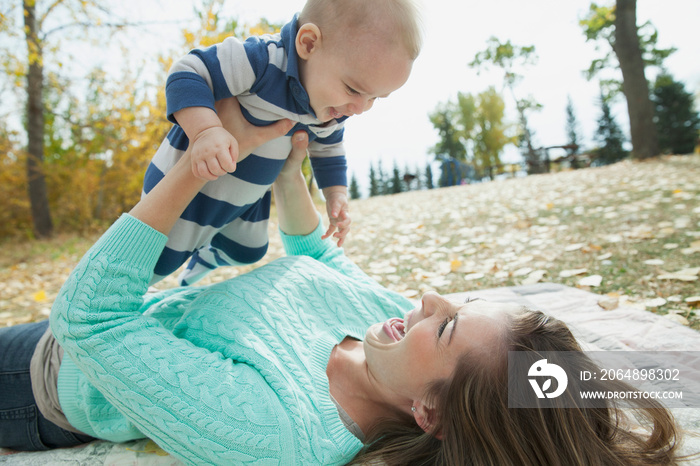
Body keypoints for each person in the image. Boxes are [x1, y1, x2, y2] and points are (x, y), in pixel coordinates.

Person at [0, 100, 687, 465]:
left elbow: (90, 320)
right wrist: (295, 164)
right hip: (118, 325)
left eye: (445, 324)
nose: (428, 300)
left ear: (429, 414)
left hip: (37, 383)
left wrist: (201, 164)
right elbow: (315, 259)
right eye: (459, 302)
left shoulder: (278, 434)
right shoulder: (391, 330)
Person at [145, 0, 422, 285]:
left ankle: (208, 256)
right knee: (156, 264)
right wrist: (205, 131)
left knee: (249, 250)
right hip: (191, 189)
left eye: (375, 97)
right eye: (354, 89)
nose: (360, 108)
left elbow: (329, 149)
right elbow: (188, 71)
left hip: (246, 202)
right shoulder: (262, 61)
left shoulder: (332, 108)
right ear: (309, 44)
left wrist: (335, 194)